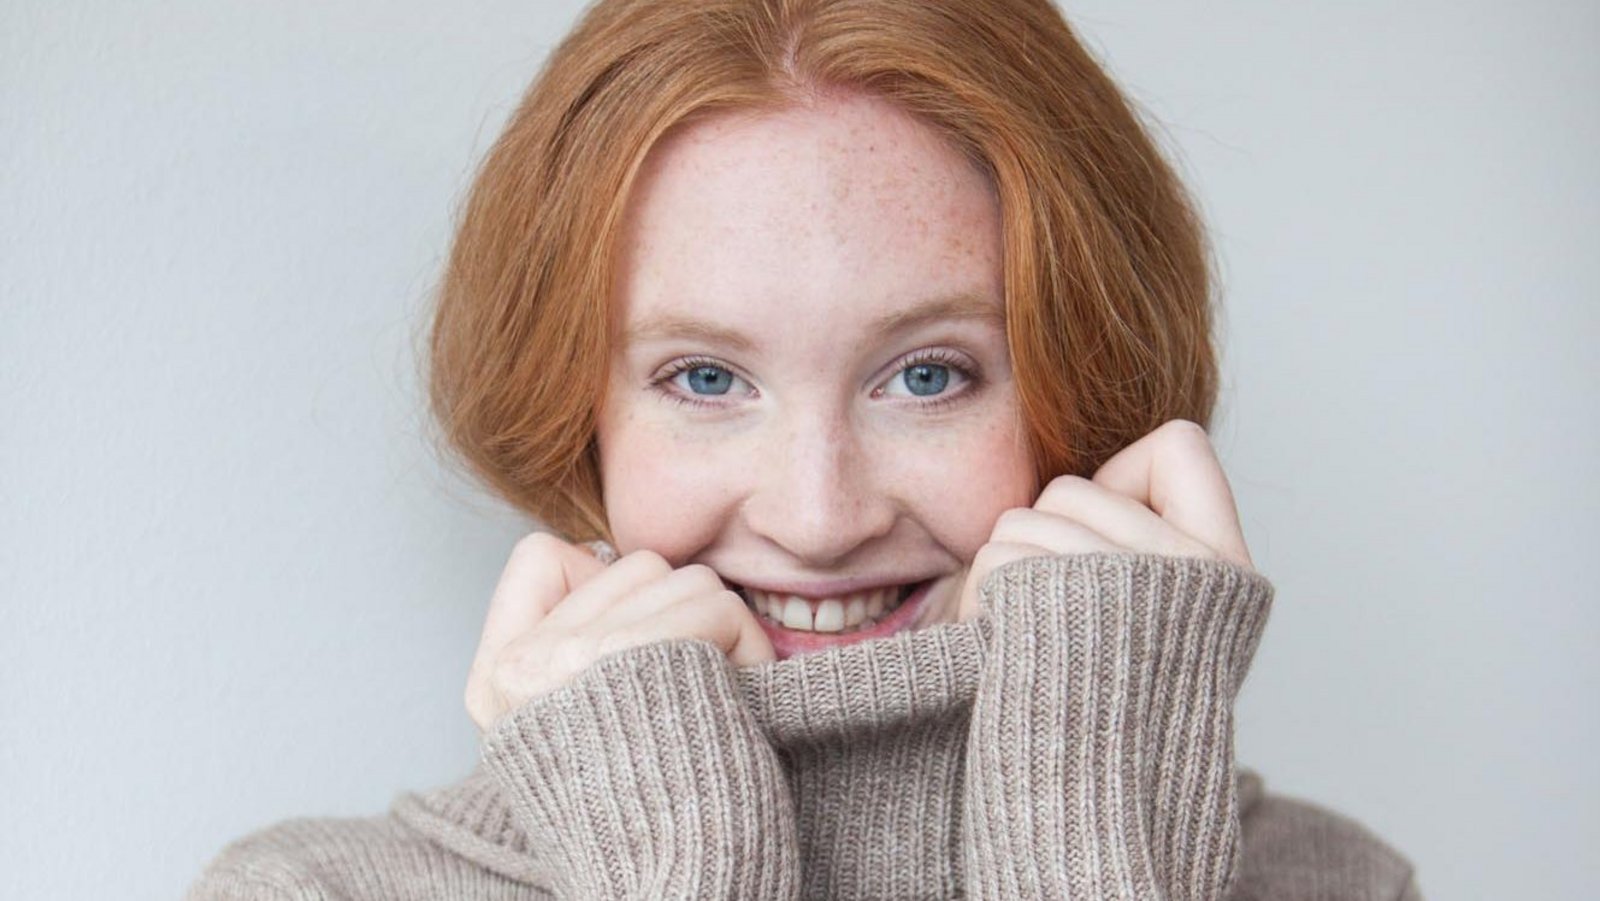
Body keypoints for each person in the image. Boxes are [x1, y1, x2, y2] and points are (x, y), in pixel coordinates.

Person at [188, 0, 1421, 898]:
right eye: (706, 378)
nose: (819, 517)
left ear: (1085, 389)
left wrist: (1098, 842)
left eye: (927, 375)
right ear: (576, 412)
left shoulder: (1332, 883)